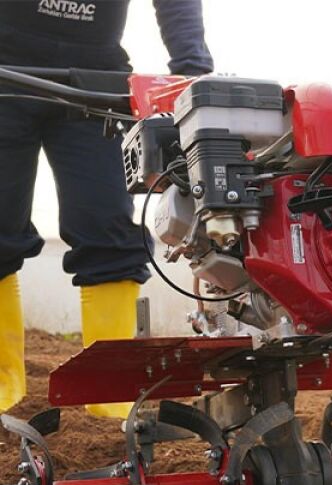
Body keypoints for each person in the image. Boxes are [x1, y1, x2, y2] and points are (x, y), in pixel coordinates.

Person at [0, 0, 213, 417]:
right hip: (6, 67)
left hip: (95, 78)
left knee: (108, 226)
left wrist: (192, 71)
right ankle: (4, 384)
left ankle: (108, 396)